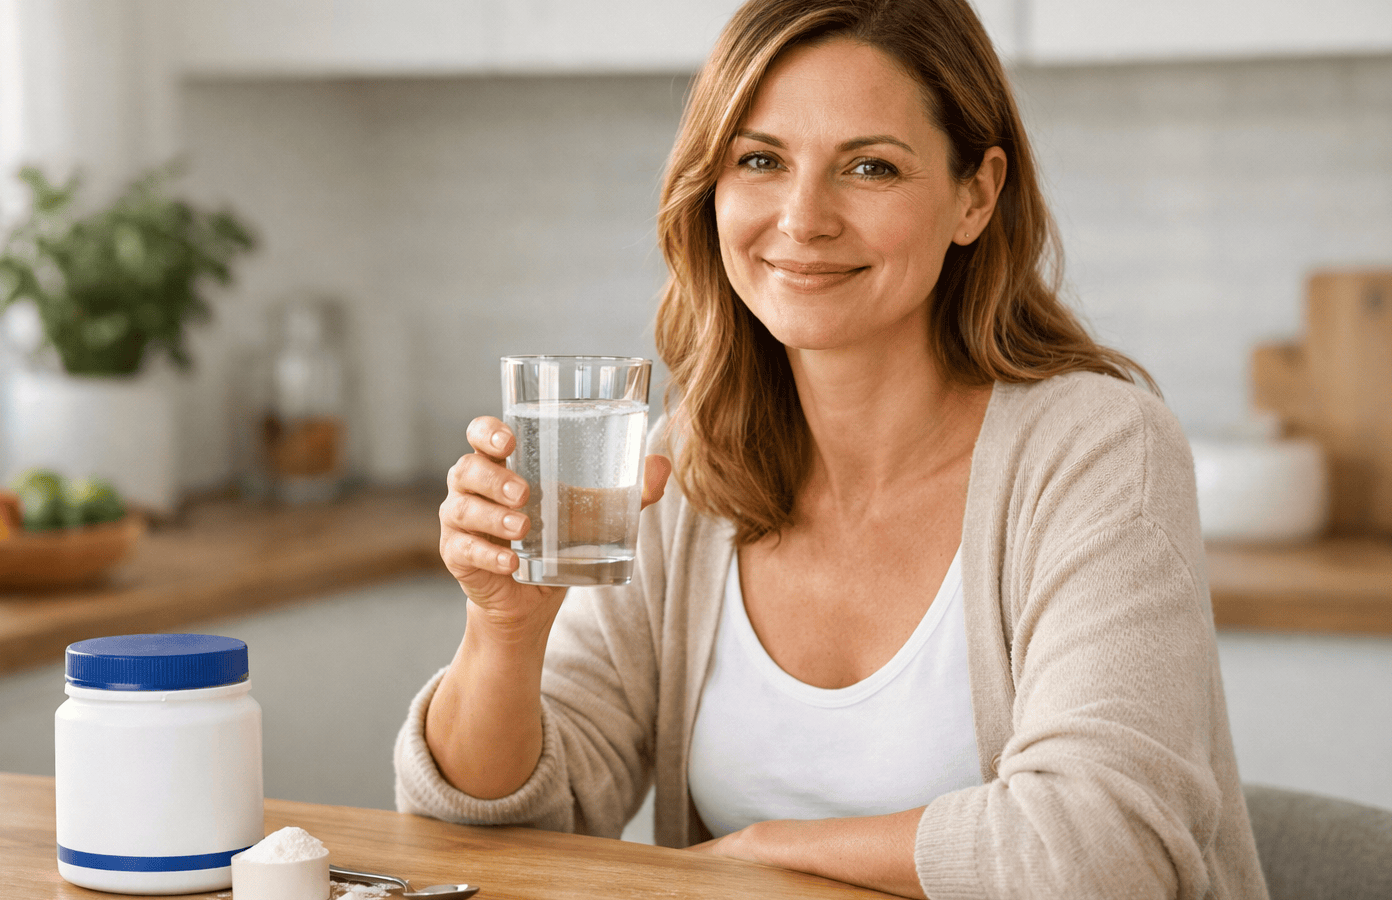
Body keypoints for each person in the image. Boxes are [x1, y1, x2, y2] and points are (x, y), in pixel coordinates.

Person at [396, 0, 1269, 897]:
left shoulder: (1097, 451)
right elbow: (508, 833)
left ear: (976, 194)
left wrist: (760, 851)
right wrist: (505, 633)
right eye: (761, 160)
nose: (803, 218)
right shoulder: (690, 467)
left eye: (870, 167)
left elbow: (1106, 850)